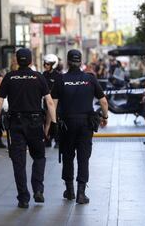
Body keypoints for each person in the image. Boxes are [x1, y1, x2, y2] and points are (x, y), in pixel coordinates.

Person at [0, 48, 57, 209]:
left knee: (18, 162)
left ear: (16, 60)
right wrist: (53, 123)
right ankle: (38, 189)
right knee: (39, 157)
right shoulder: (39, 77)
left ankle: (23, 198)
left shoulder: (9, 77)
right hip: (35, 124)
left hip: (16, 124)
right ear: (30, 61)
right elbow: (50, 102)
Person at [51, 49, 108, 204]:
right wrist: (105, 116)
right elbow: (103, 101)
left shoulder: (61, 79)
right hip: (85, 124)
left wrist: (52, 123)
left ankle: (69, 191)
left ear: (68, 62)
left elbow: (53, 104)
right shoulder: (90, 78)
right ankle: (81, 193)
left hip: (67, 124)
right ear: (81, 61)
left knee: (68, 156)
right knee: (84, 158)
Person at [42, 54, 61, 148]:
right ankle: (47, 139)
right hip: (45, 102)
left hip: (56, 102)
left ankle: (57, 140)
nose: (45, 65)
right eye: (45, 63)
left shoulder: (58, 76)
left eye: (48, 64)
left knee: (55, 119)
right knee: (46, 121)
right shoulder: (43, 75)